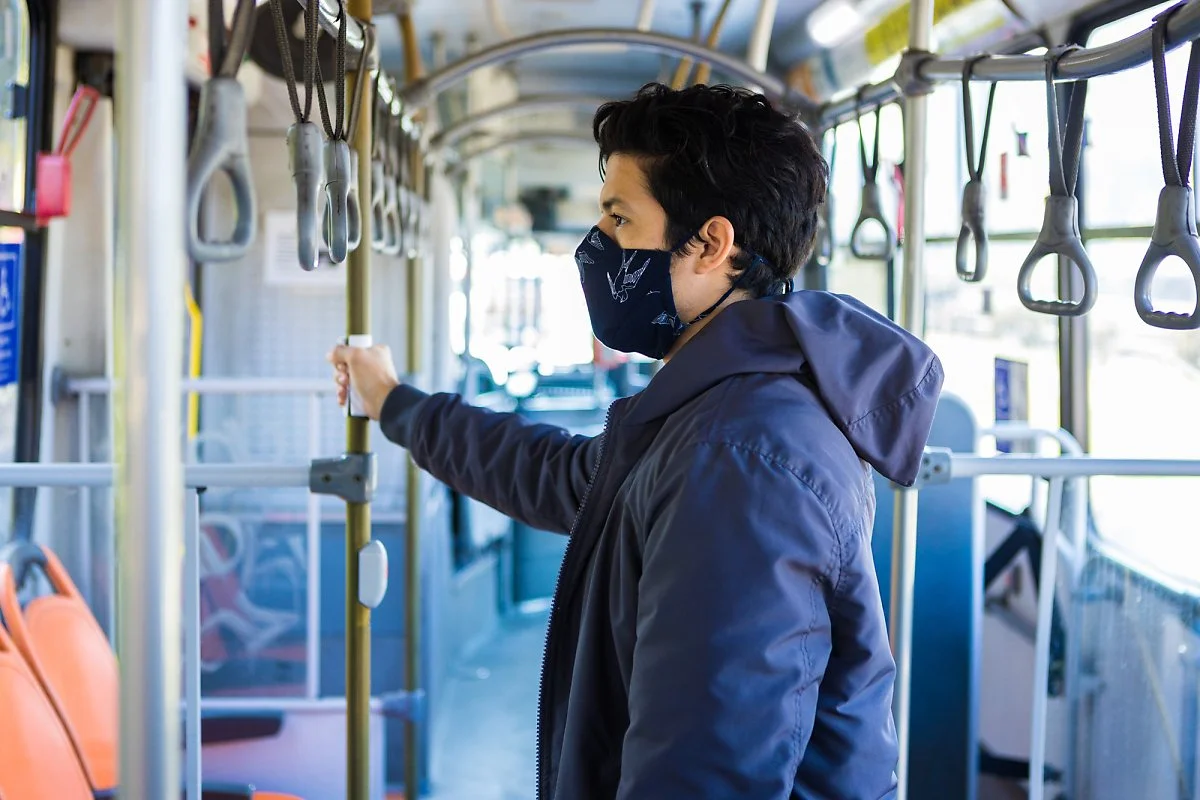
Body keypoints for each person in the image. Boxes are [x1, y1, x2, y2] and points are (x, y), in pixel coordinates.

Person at [329, 82, 943, 800]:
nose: (598, 249)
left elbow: (704, 778)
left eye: (620, 221)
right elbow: (552, 473)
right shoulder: (709, 410)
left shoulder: (738, 461)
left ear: (711, 245)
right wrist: (392, 402)